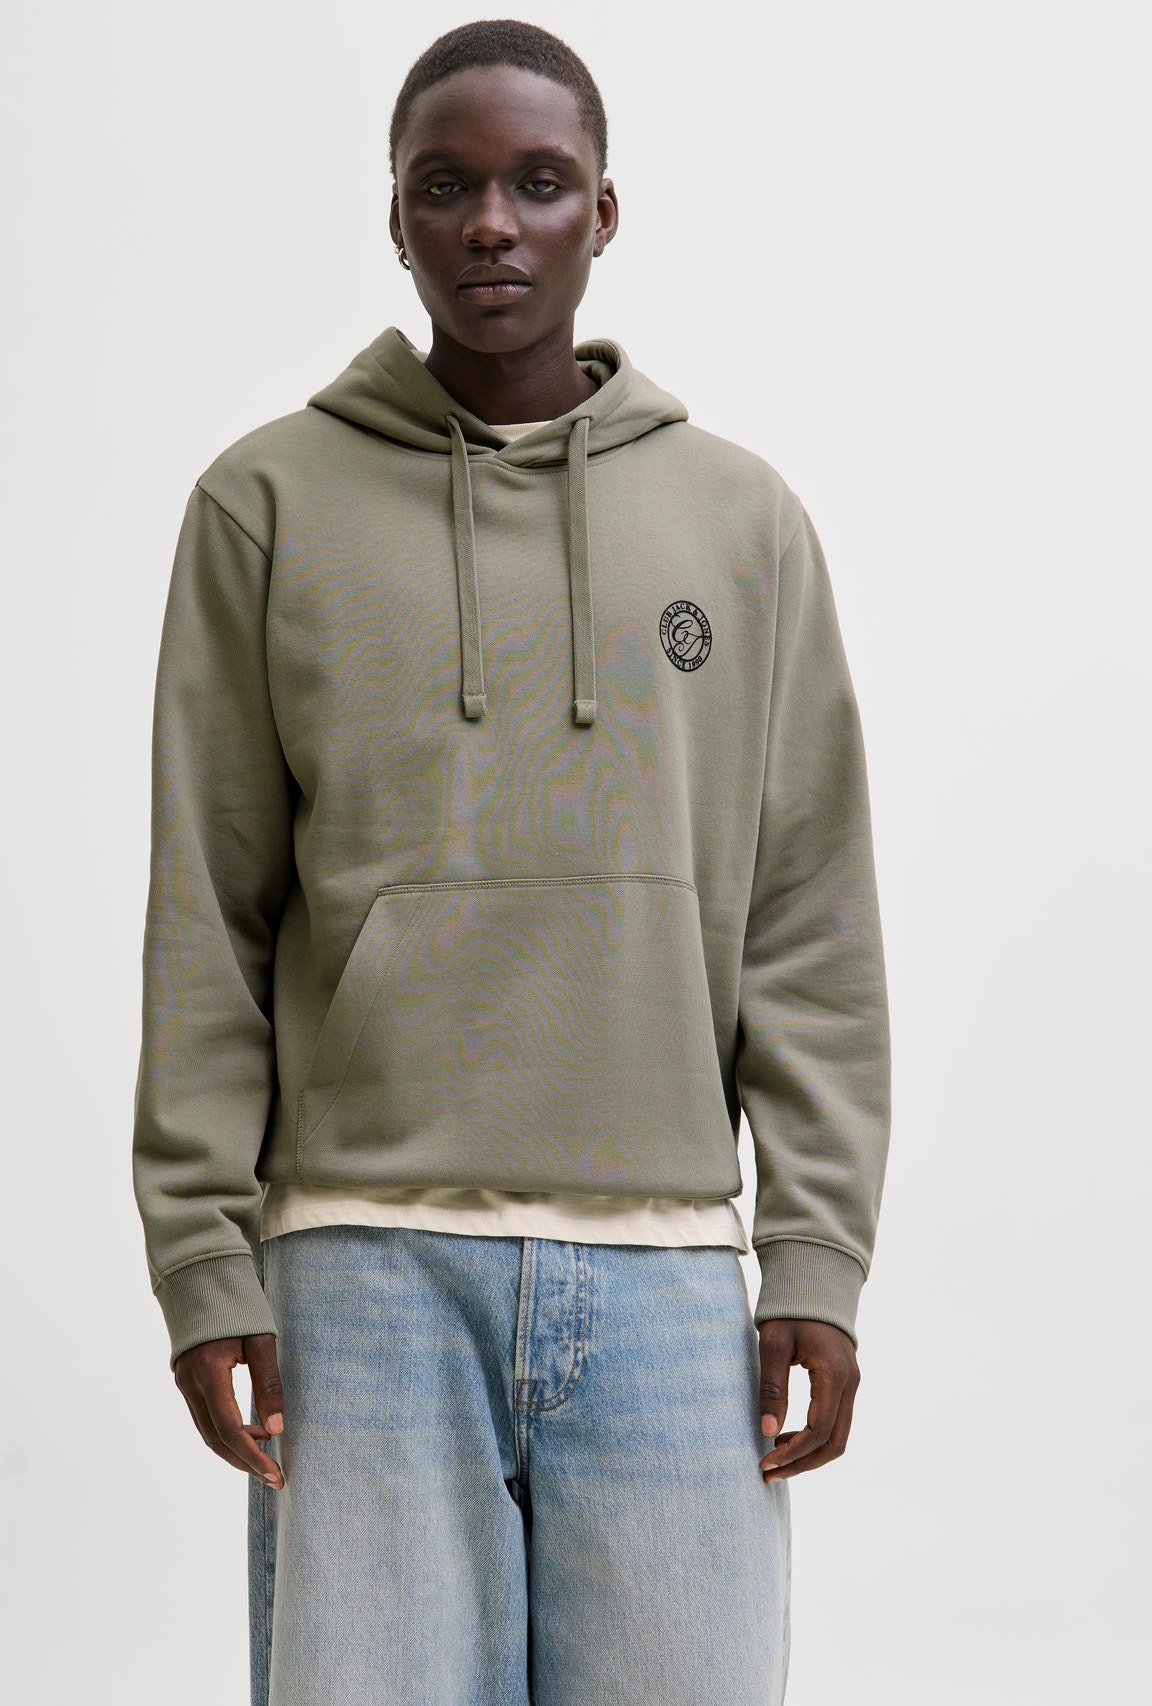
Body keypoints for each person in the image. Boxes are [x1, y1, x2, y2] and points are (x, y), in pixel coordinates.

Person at [132, 20, 890, 1705]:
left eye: (539, 183)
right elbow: (210, 913)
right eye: (446, 185)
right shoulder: (265, 505)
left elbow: (810, 912)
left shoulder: (742, 523)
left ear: (604, 211)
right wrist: (203, 1258)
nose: (491, 222)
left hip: (672, 1277)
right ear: (395, 215)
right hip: (362, 1273)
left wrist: (818, 1258)